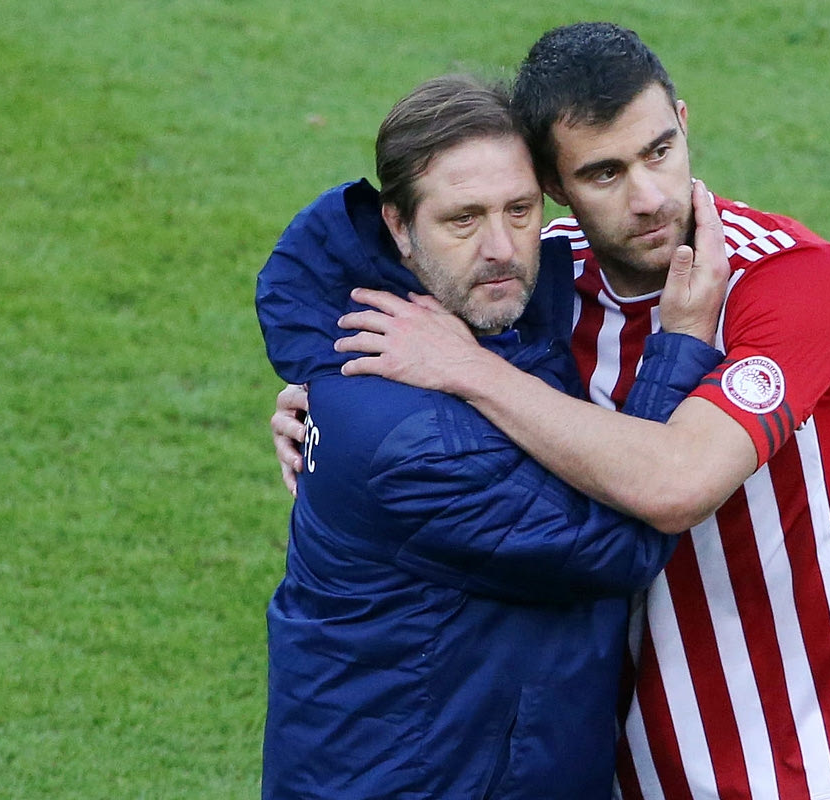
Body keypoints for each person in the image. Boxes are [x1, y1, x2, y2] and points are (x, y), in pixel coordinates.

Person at [275, 24, 830, 800]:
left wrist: (472, 374)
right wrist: (320, 420)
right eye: (605, 172)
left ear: (683, 122)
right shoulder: (535, 279)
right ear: (556, 183)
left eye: (659, 152)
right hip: (624, 766)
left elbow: (678, 481)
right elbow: (391, 372)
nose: (648, 198)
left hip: (804, 760)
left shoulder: (788, 281)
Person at [255, 74, 732, 799]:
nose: (502, 248)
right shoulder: (413, 438)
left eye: (519, 209)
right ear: (398, 225)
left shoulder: (459, 327)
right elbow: (623, 541)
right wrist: (683, 342)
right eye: (463, 219)